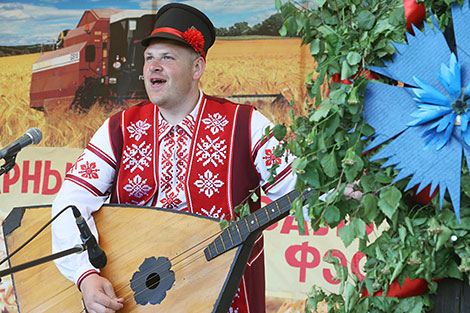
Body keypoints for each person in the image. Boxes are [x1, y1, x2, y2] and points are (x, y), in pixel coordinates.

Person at [51, 3, 296, 313]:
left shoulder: (248, 124)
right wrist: (85, 275)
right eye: (150, 58)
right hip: (138, 301)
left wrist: (340, 186)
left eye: (167, 58)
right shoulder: (119, 128)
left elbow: (297, 189)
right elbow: (70, 202)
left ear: (197, 68)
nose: (154, 66)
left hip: (222, 300)